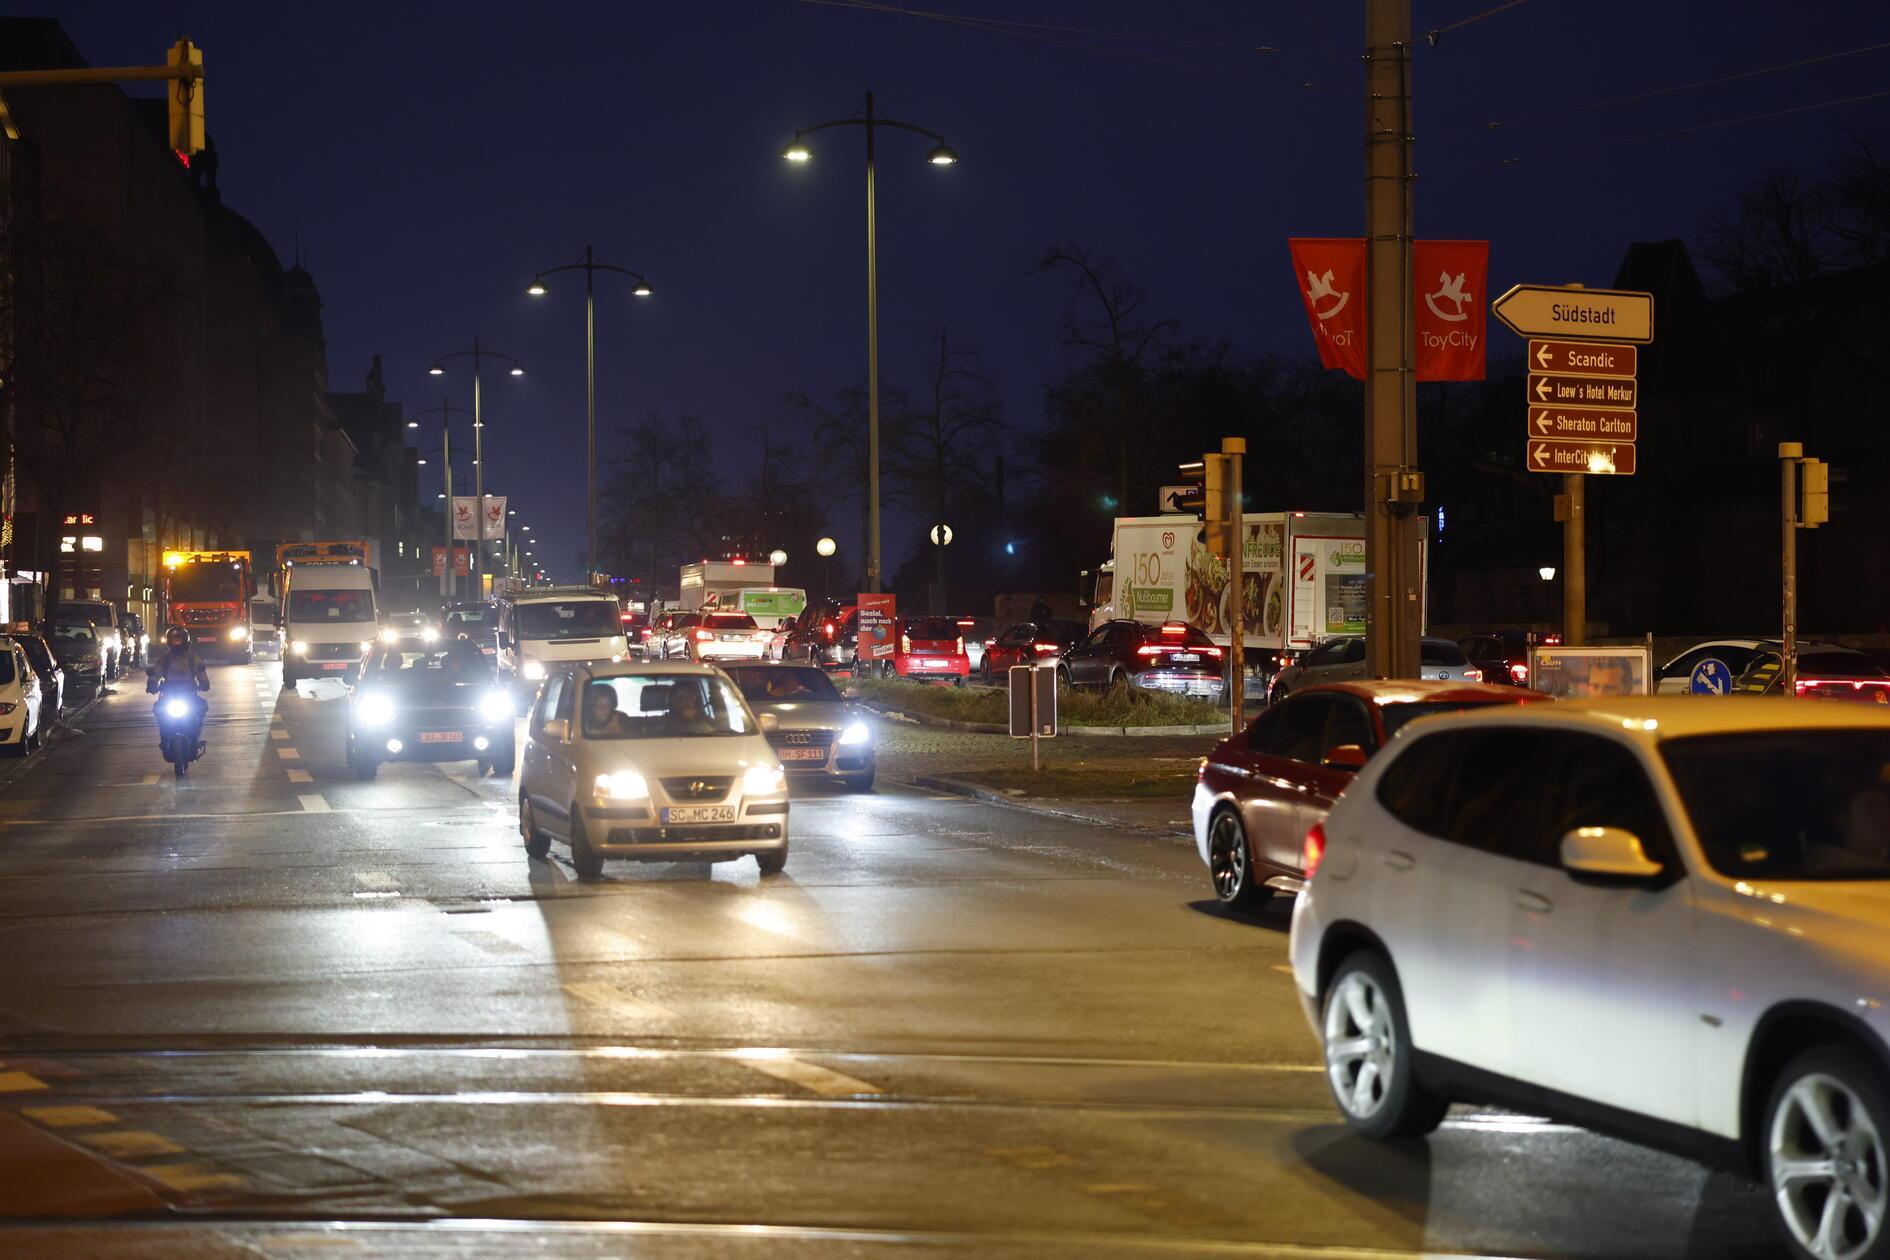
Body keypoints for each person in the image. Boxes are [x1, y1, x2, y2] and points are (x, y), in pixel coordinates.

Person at [147, 626, 210, 753]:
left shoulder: (192, 658)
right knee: (159, 710)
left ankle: (195, 734)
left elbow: (200, 671)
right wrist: (152, 682)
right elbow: (156, 671)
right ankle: (164, 738)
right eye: (173, 640)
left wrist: (204, 682)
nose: (176, 642)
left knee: (201, 707)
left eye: (179, 639)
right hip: (169, 694)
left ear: (185, 640)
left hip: (189, 693)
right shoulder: (165, 659)